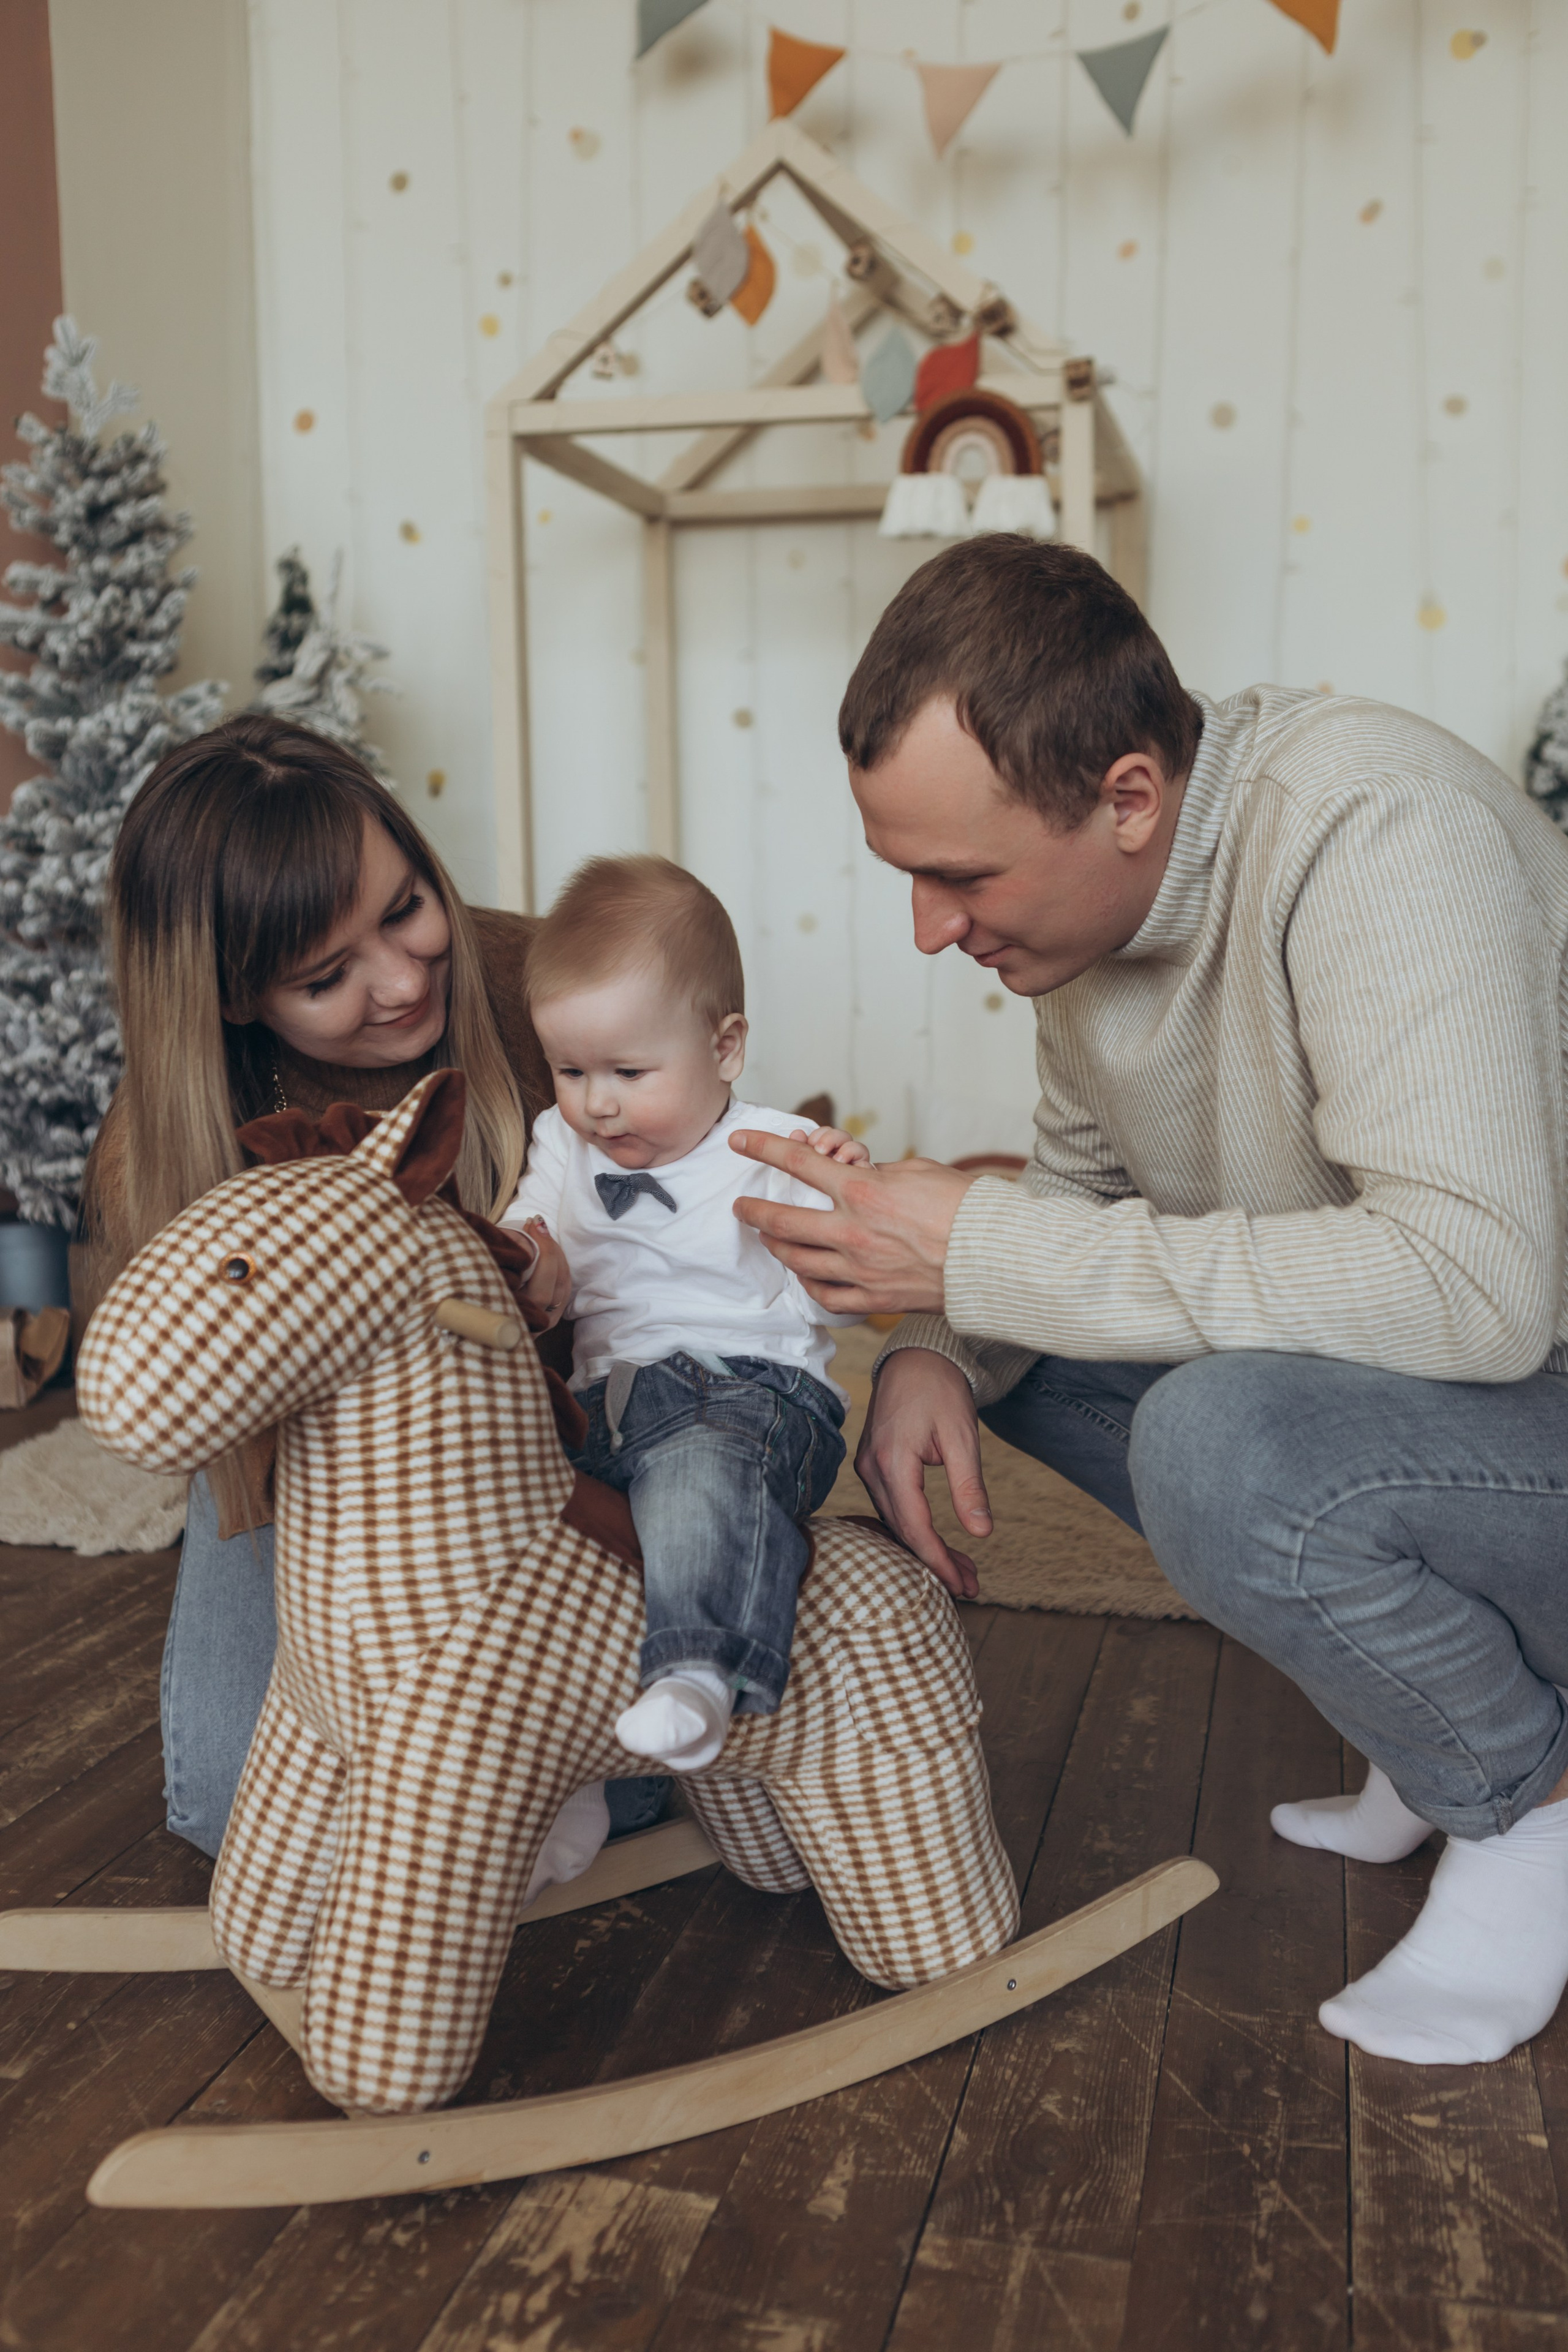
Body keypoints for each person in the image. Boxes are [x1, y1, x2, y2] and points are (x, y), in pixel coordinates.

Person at [728, 533, 1568, 2069]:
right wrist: (929, 1343)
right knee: (1027, 1359)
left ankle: (1526, 1807)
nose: (927, 929)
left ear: (1127, 797)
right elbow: (1076, 1210)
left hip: (1537, 1384)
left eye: (958, 875)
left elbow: (1478, 1293)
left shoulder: (1374, 829)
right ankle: (1421, 1718)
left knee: (1218, 1446)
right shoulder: (1090, 930)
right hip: (1452, 1403)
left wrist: (978, 1254)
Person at [80, 714, 665, 1859]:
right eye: (326, 975)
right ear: (238, 1000)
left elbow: (703, 1183)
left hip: (561, 1423)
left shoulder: (538, 982)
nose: (403, 980)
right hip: (323, 1470)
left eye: (404, 909)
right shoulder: (164, 1143)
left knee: (605, 1769)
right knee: (229, 1810)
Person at [503, 854, 864, 1771]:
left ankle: (701, 1673)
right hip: (602, 1407)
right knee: (528, 1531)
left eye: (628, 1069)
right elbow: (524, 1229)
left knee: (702, 1479)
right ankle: (568, 1780)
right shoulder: (561, 1140)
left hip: (750, 1393)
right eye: (570, 1069)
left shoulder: (777, 1148)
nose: (598, 1102)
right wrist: (525, 1260)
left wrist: (843, 1211)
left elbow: (853, 1306)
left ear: (724, 1047)